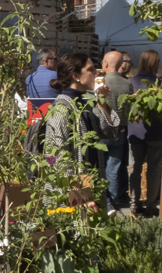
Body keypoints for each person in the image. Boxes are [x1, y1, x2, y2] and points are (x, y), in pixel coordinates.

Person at [44, 54, 119, 195]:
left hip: (87, 185)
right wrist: (78, 196)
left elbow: (108, 133)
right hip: (72, 196)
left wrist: (102, 103)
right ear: (76, 76)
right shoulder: (61, 109)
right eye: (91, 70)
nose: (97, 73)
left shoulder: (83, 103)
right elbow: (55, 158)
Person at [128, 50, 162, 217]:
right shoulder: (160, 83)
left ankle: (134, 204)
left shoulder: (131, 83)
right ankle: (150, 204)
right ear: (155, 63)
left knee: (134, 168)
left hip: (134, 131)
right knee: (154, 168)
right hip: (156, 131)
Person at [98, 51, 131, 208]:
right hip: (121, 130)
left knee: (97, 166)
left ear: (105, 64)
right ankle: (111, 205)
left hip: (101, 130)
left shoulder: (99, 82)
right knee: (114, 168)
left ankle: (100, 201)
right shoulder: (127, 84)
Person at [24, 48, 60, 116]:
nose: (57, 61)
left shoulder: (29, 79)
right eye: (55, 59)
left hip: (35, 119)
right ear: (46, 60)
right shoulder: (57, 76)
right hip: (55, 117)